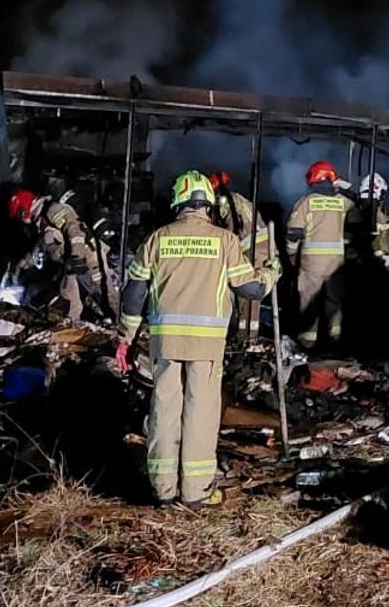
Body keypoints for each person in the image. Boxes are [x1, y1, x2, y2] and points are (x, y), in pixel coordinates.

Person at [114, 171, 275, 507]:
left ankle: (163, 489)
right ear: (208, 204)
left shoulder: (157, 239)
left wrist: (125, 339)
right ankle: (195, 492)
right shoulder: (225, 241)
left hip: (165, 345)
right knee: (200, 413)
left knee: (164, 410)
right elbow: (251, 289)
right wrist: (271, 271)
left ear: (177, 202)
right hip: (206, 346)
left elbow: (133, 295)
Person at [8, 188, 103, 325]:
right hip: (71, 265)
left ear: (24, 211)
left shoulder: (52, 211)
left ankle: (120, 327)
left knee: (102, 295)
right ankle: (73, 326)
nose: (21, 221)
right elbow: (42, 247)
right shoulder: (41, 221)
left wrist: (77, 256)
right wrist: (24, 263)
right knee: (69, 297)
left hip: (86, 258)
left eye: (19, 216)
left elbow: (74, 230)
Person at [286, 161, 351, 347]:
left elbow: (293, 233)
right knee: (334, 301)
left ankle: (308, 342)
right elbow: (357, 210)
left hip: (312, 263)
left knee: (309, 300)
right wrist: (341, 185)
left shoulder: (306, 202)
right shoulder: (343, 202)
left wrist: (291, 254)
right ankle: (334, 340)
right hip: (336, 264)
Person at [209, 171, 276, 337]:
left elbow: (230, 232)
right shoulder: (238, 199)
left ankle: (246, 338)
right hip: (261, 248)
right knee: (249, 294)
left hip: (253, 250)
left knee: (246, 292)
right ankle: (247, 335)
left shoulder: (226, 201)